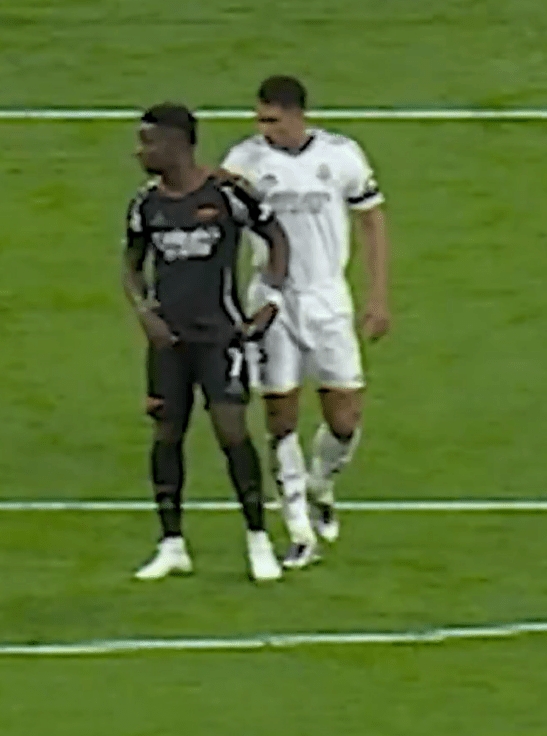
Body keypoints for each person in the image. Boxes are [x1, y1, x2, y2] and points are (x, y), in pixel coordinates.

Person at [221, 77, 391, 569]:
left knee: (345, 419)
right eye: (259, 119)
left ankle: (321, 484)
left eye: (271, 119)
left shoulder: (341, 155)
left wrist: (378, 296)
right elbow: (221, 229)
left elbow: (372, 220)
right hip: (271, 301)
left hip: (327, 299)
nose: (263, 128)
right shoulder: (244, 162)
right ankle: (298, 529)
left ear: (297, 115)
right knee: (280, 417)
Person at [123, 103, 290, 582]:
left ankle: (258, 539)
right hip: (168, 343)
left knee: (232, 432)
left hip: (221, 336)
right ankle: (172, 543)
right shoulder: (145, 205)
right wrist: (145, 313)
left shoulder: (228, 195)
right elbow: (131, 266)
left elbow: (276, 238)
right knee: (166, 434)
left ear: (176, 143)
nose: (139, 152)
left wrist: (271, 298)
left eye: (148, 142)